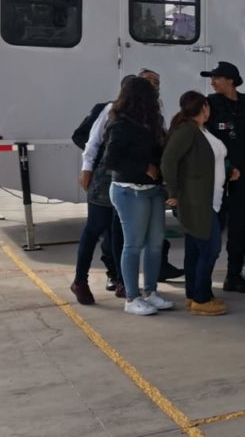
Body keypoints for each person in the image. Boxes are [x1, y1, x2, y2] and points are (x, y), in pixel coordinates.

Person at [81, 69, 183, 283]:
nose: (153, 86)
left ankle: (127, 278)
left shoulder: (154, 115)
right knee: (99, 229)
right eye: (148, 82)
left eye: (156, 82)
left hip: (140, 183)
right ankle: (88, 279)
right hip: (109, 180)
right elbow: (96, 145)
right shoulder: (115, 113)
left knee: (125, 233)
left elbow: (159, 146)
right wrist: (86, 169)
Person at [102, 77, 172, 316]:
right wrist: (143, 166)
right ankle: (131, 297)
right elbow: (110, 160)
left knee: (155, 243)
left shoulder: (151, 122)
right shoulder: (120, 123)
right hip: (129, 190)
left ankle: (151, 292)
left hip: (153, 190)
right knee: (133, 245)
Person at [161, 91, 232, 316]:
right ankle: (201, 298)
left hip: (210, 198)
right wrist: (172, 191)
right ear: (204, 108)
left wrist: (229, 171)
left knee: (195, 249)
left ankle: (196, 294)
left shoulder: (200, 130)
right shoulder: (187, 131)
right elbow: (168, 160)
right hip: (197, 200)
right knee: (210, 249)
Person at [70, 77, 132, 305]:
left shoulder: (148, 114)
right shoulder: (109, 110)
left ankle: (122, 279)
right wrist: (87, 170)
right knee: (95, 227)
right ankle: (80, 281)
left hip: (127, 179)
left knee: (120, 231)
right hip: (104, 179)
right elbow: (92, 142)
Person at [200, 62, 245, 294]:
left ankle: (234, 276)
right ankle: (203, 280)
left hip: (244, 175)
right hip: (218, 175)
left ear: (230, 80)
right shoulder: (210, 104)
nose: (213, 82)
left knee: (239, 227)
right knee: (213, 227)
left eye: (217, 78)